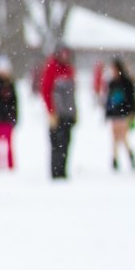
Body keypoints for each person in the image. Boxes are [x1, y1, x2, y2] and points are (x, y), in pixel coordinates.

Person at [40, 44, 77, 179]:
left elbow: (72, 94)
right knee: (57, 143)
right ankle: (55, 172)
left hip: (68, 113)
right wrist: (51, 111)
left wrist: (75, 112)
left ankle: (63, 171)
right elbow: (46, 91)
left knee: (66, 142)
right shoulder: (51, 68)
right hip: (56, 113)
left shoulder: (69, 70)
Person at [103, 57, 135, 171]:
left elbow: (132, 99)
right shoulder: (112, 83)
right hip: (114, 114)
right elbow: (108, 99)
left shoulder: (126, 83)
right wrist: (107, 113)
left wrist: (133, 112)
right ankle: (115, 158)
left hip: (124, 114)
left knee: (123, 137)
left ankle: (129, 154)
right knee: (114, 137)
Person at [0, 55, 18, 170]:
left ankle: (10, 166)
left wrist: (14, 117)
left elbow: (14, 103)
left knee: (9, 145)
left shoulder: (10, 85)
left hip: (7, 120)